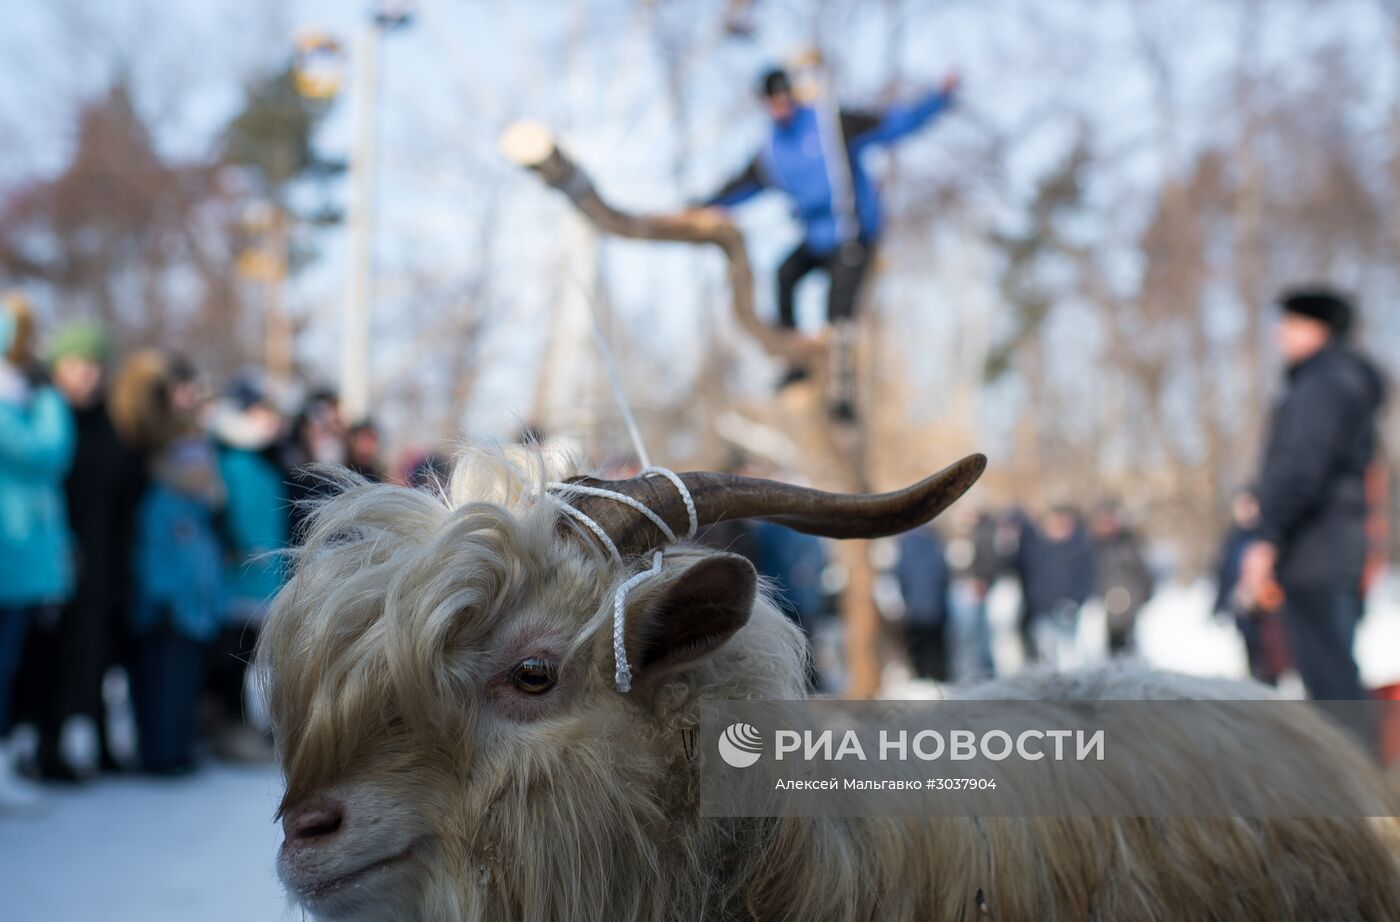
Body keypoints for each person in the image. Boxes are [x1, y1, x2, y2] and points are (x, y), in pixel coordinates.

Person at [698, 66, 959, 419]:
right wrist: (701, 208)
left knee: (837, 310)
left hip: (853, 234)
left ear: (791, 95)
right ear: (764, 105)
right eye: (772, 102)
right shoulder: (772, 150)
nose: (780, 107)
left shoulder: (830, 124)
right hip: (815, 240)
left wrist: (938, 98)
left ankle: (844, 393)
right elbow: (740, 186)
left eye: (783, 98)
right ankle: (794, 362)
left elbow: (894, 125)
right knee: (784, 273)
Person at [1237, 287, 1386, 707]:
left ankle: (1354, 768)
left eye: (1289, 324)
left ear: (1317, 329)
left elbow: (1302, 467)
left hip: (1315, 548)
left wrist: (1267, 537)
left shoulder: (1323, 385)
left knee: (1329, 681)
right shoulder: (1341, 382)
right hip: (1332, 545)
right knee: (1331, 672)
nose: (1278, 335)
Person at [20, 322, 143, 781]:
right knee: (46, 656)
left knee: (92, 652)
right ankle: (42, 747)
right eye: (76, 365)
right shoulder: (44, 419)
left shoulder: (110, 424)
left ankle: (93, 738)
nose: (87, 375)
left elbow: (127, 485)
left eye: (94, 365)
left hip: (104, 556)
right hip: (50, 556)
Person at [0, 293, 74, 811]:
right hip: (14, 551)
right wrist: (47, 400)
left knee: (12, 667)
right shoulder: (21, 403)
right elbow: (45, 450)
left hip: (23, 557)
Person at [128, 436, 223, 774]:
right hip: (167, 614)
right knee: (162, 686)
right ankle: (160, 752)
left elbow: (207, 563)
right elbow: (152, 556)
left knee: (185, 686)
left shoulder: (199, 511)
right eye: (194, 468)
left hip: (196, 616)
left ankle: (179, 747)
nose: (201, 475)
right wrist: (162, 597)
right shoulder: (161, 505)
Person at [209, 375, 289, 760]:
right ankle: (230, 725)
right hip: (233, 583)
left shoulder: (270, 465)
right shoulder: (225, 462)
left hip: (268, 582)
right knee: (233, 662)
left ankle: (256, 725)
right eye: (260, 412)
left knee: (262, 661)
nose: (268, 421)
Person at [1214, 490, 1287, 686]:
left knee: (1271, 658)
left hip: (1267, 609)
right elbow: (1224, 573)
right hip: (1243, 609)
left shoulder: (1267, 534)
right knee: (1251, 656)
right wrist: (1220, 604)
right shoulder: (1233, 538)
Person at [1018, 506, 1096, 670]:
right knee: (1046, 656)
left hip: (1068, 610)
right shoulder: (1036, 547)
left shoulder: (1080, 548)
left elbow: (1087, 578)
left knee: (1071, 657)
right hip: (1042, 610)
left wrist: (1076, 600)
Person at [1090, 501, 1154, 655]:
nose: (1108, 525)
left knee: (1125, 646)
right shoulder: (1091, 545)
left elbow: (1143, 574)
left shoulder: (1129, 544)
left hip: (1127, 605)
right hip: (1100, 606)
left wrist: (1141, 597)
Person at [895, 525, 951, 681]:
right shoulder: (934, 543)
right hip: (936, 607)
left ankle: (921, 677)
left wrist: (907, 600)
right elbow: (943, 575)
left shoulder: (905, 546)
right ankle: (938, 678)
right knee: (936, 647)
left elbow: (901, 576)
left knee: (919, 647)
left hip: (915, 608)